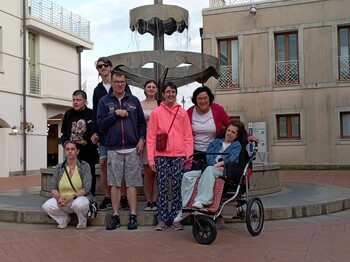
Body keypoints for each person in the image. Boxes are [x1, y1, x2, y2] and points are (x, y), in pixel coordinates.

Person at [97, 71, 146, 230]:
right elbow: (101, 124)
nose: (120, 84)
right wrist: (115, 114)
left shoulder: (134, 101)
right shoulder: (104, 102)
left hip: (132, 148)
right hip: (113, 148)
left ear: (126, 83)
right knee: (115, 184)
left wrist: (141, 139)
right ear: (111, 82)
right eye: (117, 81)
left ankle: (133, 215)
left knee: (132, 183)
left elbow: (141, 124)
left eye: (122, 82)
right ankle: (116, 215)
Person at [174, 119, 244, 222]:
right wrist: (215, 166)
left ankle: (202, 200)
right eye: (229, 130)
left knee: (210, 169)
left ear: (237, 135)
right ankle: (186, 206)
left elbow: (231, 159)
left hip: (225, 171)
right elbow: (209, 157)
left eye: (233, 132)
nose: (229, 133)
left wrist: (217, 165)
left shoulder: (236, 145)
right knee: (187, 175)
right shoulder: (215, 143)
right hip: (211, 168)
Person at [147, 81, 193, 231]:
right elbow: (151, 137)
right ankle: (161, 219)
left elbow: (188, 136)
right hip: (161, 155)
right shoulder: (156, 113)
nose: (171, 94)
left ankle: (175, 218)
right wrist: (151, 158)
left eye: (173, 91)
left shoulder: (182, 112)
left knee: (178, 187)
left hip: (179, 155)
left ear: (176, 94)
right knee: (162, 188)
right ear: (163, 94)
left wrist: (189, 156)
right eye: (168, 92)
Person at [91, 57, 130, 211]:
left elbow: (130, 104)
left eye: (105, 65)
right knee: (103, 163)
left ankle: (124, 197)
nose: (103, 68)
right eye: (100, 66)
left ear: (110, 67)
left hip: (121, 131)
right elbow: (95, 112)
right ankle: (108, 197)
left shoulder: (123, 85)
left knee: (122, 165)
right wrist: (95, 131)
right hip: (106, 132)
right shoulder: (98, 90)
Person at [42, 141, 93, 229]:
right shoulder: (59, 168)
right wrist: (58, 198)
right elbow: (53, 187)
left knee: (79, 204)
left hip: (77, 198)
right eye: (67, 149)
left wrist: (72, 197)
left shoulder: (84, 166)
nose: (70, 151)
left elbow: (87, 188)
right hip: (63, 201)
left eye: (73, 149)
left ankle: (82, 220)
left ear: (77, 151)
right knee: (47, 206)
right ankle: (63, 218)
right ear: (65, 152)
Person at [61, 90, 98, 196]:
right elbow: (64, 133)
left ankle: (90, 197)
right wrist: (65, 144)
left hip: (88, 152)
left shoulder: (91, 114)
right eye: (73, 100)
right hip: (72, 153)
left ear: (85, 101)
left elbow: (96, 132)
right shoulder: (68, 114)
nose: (75, 102)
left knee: (89, 175)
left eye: (78, 100)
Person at [140, 80, 160, 211]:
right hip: (145, 140)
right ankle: (148, 200)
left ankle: (156, 199)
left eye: (153, 87)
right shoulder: (139, 104)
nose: (151, 89)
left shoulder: (161, 104)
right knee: (147, 172)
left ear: (157, 90)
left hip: (159, 141)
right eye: (149, 87)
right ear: (145, 89)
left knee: (158, 171)